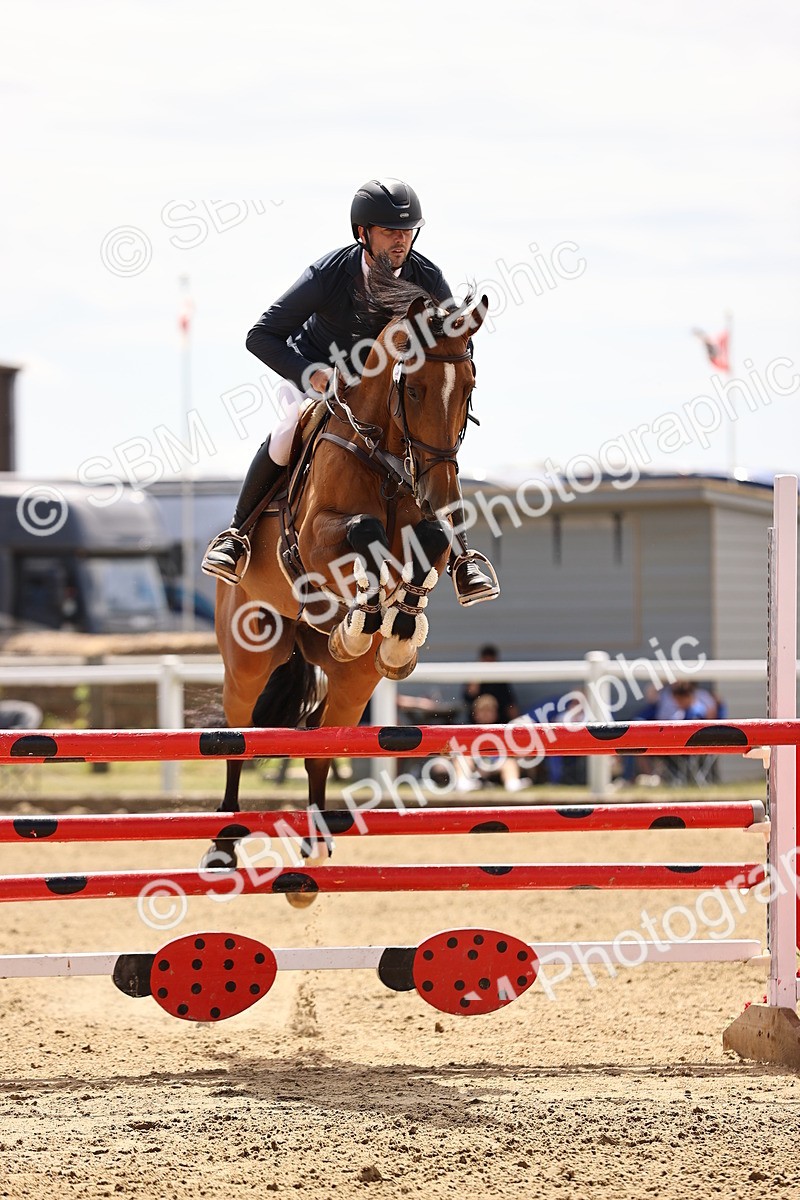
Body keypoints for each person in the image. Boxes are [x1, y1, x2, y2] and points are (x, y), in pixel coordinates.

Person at [202, 178, 499, 607]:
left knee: (431, 440)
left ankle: (462, 558)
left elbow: (453, 339)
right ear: (363, 233)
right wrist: (310, 373)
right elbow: (261, 335)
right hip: (316, 373)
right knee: (287, 430)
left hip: (382, 386)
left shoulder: (427, 275)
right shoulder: (329, 275)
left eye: (408, 231)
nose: (401, 240)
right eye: (390, 231)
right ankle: (237, 536)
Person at [463, 644, 519, 723]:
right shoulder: (474, 678)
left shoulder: (501, 680)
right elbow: (469, 695)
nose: (488, 666)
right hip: (475, 723)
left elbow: (510, 705)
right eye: (486, 662)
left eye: (491, 662)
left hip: (499, 722)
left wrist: (516, 724)